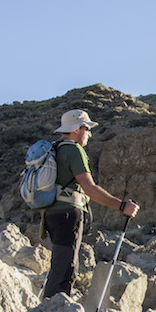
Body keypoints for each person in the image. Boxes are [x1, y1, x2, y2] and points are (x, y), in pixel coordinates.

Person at [41, 109, 139, 299]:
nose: (89, 134)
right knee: (65, 269)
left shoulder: (56, 148)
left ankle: (50, 310)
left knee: (60, 265)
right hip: (68, 214)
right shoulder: (73, 150)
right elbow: (89, 188)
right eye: (87, 129)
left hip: (51, 214)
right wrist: (121, 206)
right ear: (77, 129)